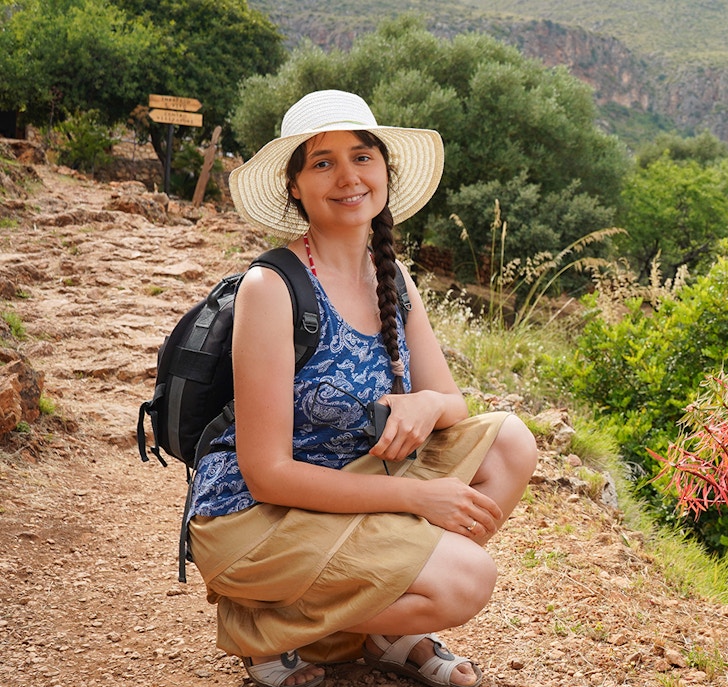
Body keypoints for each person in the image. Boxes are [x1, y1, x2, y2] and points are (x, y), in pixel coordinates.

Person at [187, 89, 538, 687]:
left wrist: (424, 403)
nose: (348, 177)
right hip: (257, 516)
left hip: (353, 484)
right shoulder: (272, 287)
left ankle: (372, 633)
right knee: (467, 578)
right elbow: (267, 472)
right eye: (322, 162)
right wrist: (415, 501)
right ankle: (264, 625)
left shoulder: (391, 277)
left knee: (510, 441)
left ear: (385, 171)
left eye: (362, 157)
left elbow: (452, 404)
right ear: (295, 186)